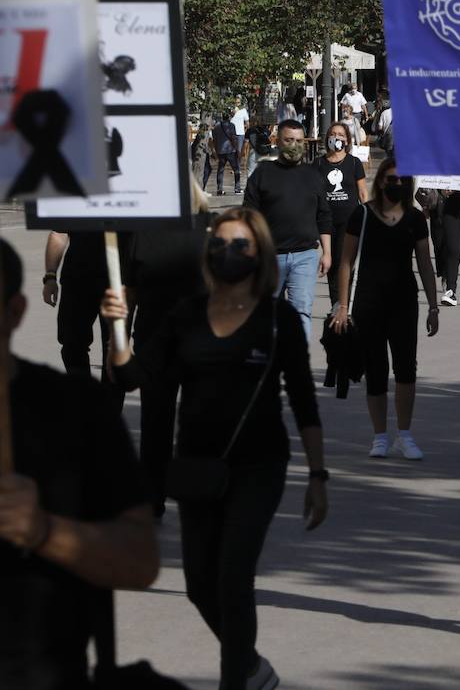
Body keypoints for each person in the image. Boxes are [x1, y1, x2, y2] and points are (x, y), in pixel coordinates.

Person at [103, 207, 328, 690]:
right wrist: (116, 335)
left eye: (241, 245)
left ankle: (236, 681)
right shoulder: (186, 317)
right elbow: (133, 377)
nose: (229, 254)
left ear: (260, 253)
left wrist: (317, 475)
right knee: (198, 585)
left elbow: (305, 404)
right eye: (220, 245)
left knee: (232, 579)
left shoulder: (278, 320)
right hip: (196, 467)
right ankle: (249, 667)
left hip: (258, 467)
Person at [0, 238, 161, 690]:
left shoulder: (79, 411)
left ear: (14, 312)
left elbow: (138, 561)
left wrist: (44, 531)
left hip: (37, 667)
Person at [331, 160, 440, 460]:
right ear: (380, 181)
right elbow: (346, 262)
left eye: (403, 180)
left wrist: (434, 306)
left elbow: (425, 264)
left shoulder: (416, 219)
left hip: (404, 302)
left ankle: (404, 435)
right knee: (376, 369)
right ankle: (380, 436)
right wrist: (343, 306)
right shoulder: (362, 214)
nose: (398, 185)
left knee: (406, 369)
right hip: (368, 303)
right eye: (392, 179)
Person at [128, 180, 213, 516]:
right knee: (159, 420)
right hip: (157, 340)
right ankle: (156, 494)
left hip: (192, 337)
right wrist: (115, 341)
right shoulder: (143, 231)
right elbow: (130, 290)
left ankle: (179, 492)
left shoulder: (207, 228)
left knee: (180, 420)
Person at [243, 119, 332, 341]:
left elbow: (324, 215)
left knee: (301, 311)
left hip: (305, 256)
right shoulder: (263, 173)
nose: (295, 145)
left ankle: (296, 363)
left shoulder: (313, 175)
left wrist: (327, 252)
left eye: (299, 140)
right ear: (278, 142)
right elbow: (249, 216)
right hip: (270, 257)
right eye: (289, 140)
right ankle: (271, 365)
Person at [41, 230, 126, 382]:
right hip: (77, 280)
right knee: (71, 345)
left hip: (120, 280)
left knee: (115, 348)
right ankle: (83, 396)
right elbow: (59, 233)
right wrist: (50, 276)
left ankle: (109, 404)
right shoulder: (72, 204)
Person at [314, 121, 369, 306]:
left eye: (340, 135)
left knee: (344, 262)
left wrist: (369, 215)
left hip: (349, 220)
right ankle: (336, 304)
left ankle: (347, 302)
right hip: (326, 222)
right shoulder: (318, 163)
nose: (336, 137)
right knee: (330, 263)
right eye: (333, 134)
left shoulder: (354, 163)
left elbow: (362, 192)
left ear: (347, 140)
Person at [211, 111, 242, 196]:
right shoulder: (231, 126)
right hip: (230, 150)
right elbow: (233, 138)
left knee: (220, 170)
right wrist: (237, 149)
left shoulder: (216, 126)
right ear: (229, 117)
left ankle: (219, 189)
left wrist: (216, 151)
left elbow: (214, 139)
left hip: (221, 151)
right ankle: (237, 188)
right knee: (236, 170)